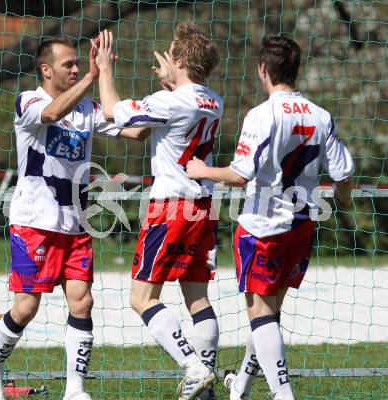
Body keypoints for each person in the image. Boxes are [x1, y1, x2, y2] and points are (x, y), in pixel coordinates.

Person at [186, 36, 354, 400]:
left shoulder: (262, 115)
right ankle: (241, 387)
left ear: (263, 69)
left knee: (260, 314)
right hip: (301, 225)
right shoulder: (320, 115)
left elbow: (240, 174)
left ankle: (283, 393)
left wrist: (202, 169)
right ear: (296, 69)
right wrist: (343, 203)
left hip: (263, 226)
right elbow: (343, 174)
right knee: (269, 315)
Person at [0, 37, 139, 400]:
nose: (75, 68)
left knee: (82, 302)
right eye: (68, 64)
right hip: (34, 223)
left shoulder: (88, 107)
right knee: (26, 307)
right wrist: (91, 77)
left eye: (78, 64)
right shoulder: (30, 100)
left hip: (75, 224)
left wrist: (109, 75)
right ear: (46, 69)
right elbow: (52, 114)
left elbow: (134, 130)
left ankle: (75, 390)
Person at [95, 24, 222, 400]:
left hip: (172, 207)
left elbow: (110, 110)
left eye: (170, 54)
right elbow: (143, 130)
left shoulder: (172, 101)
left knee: (141, 298)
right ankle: (206, 387)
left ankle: (194, 368)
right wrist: (173, 83)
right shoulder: (214, 99)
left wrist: (104, 67)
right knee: (198, 299)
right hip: (203, 207)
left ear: (179, 60)